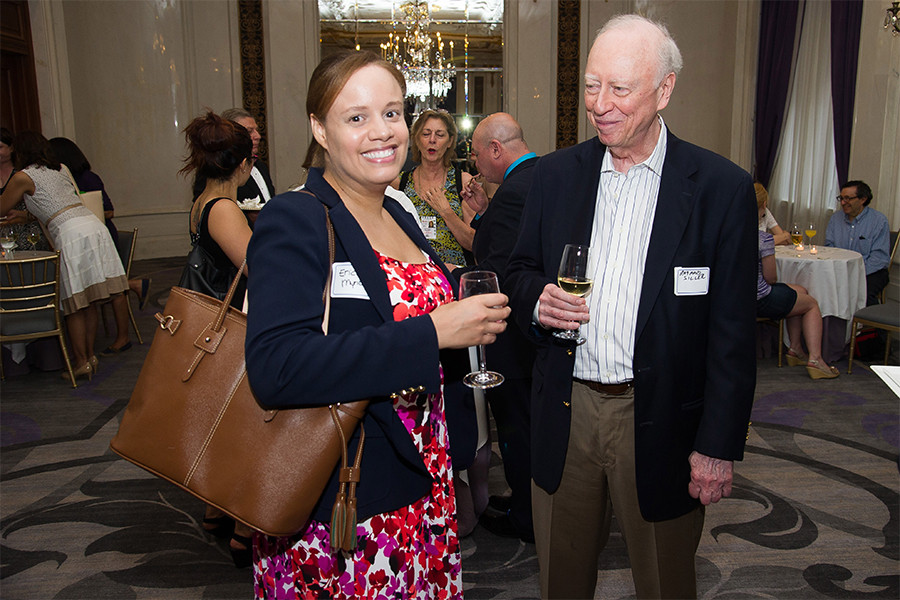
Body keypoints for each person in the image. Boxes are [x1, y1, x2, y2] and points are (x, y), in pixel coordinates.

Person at [505, 15, 757, 599]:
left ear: (664, 90)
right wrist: (536, 302)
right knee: (561, 579)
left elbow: (732, 334)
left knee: (665, 581)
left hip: (663, 417)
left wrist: (717, 445)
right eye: (592, 86)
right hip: (566, 410)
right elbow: (517, 272)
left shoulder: (719, 188)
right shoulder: (554, 176)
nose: (600, 105)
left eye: (619, 89)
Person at [244, 49, 509, 598]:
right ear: (320, 129)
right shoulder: (297, 217)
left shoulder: (396, 211)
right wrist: (433, 333)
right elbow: (276, 368)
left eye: (391, 113)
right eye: (356, 117)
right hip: (348, 495)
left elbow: (414, 304)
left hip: (423, 472)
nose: (382, 131)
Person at [456, 112, 538, 543]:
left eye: (475, 154)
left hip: (517, 335)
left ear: (495, 149)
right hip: (539, 331)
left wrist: (449, 278)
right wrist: (484, 213)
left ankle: (526, 516)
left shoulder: (513, 192)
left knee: (517, 427)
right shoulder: (540, 177)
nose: (474, 164)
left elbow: (497, 270)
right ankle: (528, 501)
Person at [177, 111, 255, 563]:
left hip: (210, 322)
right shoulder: (223, 208)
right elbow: (255, 265)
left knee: (219, 419)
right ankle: (243, 528)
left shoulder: (202, 200)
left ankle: (214, 509)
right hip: (227, 327)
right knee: (241, 422)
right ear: (242, 165)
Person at [1, 132, 128, 380]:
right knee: (89, 299)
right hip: (93, 226)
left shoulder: (22, 177)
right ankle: (89, 357)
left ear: (20, 152)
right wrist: (26, 215)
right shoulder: (59, 168)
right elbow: (57, 204)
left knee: (73, 305)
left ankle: (80, 362)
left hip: (71, 234)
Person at [48, 136, 149, 354]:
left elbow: (109, 210)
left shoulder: (88, 178)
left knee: (113, 288)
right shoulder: (60, 181)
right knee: (102, 286)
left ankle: (122, 337)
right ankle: (134, 285)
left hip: (99, 237)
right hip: (85, 238)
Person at [757, 207, 837, 379]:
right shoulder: (763, 239)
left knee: (800, 291)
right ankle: (816, 360)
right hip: (759, 298)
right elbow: (771, 278)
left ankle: (795, 349)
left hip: (733, 296)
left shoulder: (728, 233)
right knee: (810, 304)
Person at [393, 109, 476, 267]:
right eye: (426, 134)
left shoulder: (463, 182)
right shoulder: (399, 183)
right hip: (414, 273)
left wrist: (446, 212)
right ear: (417, 140)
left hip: (453, 274)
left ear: (450, 141)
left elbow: (474, 243)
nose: (432, 140)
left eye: (440, 135)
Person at [825, 180, 891, 306]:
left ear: (863, 199)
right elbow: (829, 247)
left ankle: (868, 318)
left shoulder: (879, 221)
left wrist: (855, 273)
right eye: (841, 198)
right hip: (841, 268)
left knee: (863, 293)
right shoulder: (836, 218)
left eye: (848, 198)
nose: (843, 203)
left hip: (870, 271)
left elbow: (879, 258)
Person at [220, 108, 275, 229]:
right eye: (249, 131)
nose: (258, 136)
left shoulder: (261, 166)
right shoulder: (221, 171)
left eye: (257, 130)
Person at [0, 127, 48, 251]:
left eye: (0, 147)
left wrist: (25, 214)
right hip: (3, 236)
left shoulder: (24, 173)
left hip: (27, 233)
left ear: (11, 148)